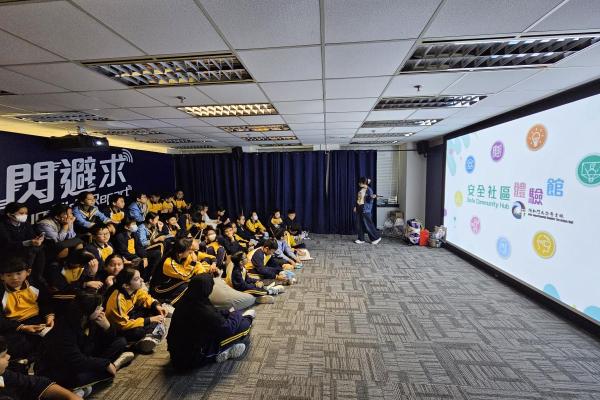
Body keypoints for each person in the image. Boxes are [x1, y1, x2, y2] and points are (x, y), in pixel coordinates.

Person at [35, 292, 133, 398]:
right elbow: (76, 360)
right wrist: (105, 364)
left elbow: (106, 341)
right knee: (84, 377)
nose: (102, 310)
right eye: (98, 308)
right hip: (59, 368)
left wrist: (107, 327)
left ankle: (83, 386)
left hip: (84, 357)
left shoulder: (91, 320)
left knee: (120, 342)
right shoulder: (64, 329)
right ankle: (114, 366)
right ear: (86, 311)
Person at [167, 274, 254, 371]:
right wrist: (237, 313)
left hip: (177, 354)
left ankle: (219, 352)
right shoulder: (202, 309)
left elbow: (214, 314)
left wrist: (228, 312)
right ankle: (218, 354)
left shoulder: (188, 299)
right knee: (244, 326)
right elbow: (227, 329)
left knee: (230, 320)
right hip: (190, 360)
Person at [0, 257, 53, 362]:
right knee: (14, 346)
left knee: (54, 337)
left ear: (28, 272)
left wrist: (49, 316)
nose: (15, 278)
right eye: (9, 275)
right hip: (14, 324)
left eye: (19, 273)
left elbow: (45, 302)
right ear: (2, 276)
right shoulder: (1, 292)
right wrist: (23, 327)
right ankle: (26, 361)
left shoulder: (35, 284)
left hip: (37, 319)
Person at [105, 268, 167, 354]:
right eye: (137, 279)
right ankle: (140, 342)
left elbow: (145, 297)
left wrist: (157, 306)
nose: (142, 280)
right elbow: (122, 325)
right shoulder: (118, 299)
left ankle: (149, 337)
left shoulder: (134, 289)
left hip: (130, 317)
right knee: (138, 332)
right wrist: (149, 320)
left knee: (154, 310)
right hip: (117, 329)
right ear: (126, 285)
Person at [0, 336, 82, 400]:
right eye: (3, 356)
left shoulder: (3, 374)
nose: (8, 356)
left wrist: (70, 396)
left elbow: (35, 383)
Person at [0, 202, 46, 285]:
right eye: (21, 213)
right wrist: (28, 242)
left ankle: (38, 276)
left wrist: (38, 239)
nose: (24, 215)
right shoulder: (2, 226)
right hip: (7, 251)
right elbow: (8, 244)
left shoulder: (24, 223)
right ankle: (27, 278)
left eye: (26, 213)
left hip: (23, 248)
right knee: (31, 251)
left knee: (39, 249)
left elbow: (31, 235)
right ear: (9, 214)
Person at [354, 177, 381, 245]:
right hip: (359, 208)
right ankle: (361, 239)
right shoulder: (361, 189)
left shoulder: (369, 190)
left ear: (363, 183)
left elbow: (369, 201)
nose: (359, 184)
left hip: (365, 209)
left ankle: (376, 238)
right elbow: (359, 199)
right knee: (359, 224)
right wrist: (356, 206)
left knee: (368, 224)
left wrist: (371, 197)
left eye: (360, 182)